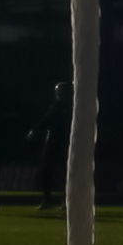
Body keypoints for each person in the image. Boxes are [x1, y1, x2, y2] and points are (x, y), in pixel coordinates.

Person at [28, 82, 70, 211]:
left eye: (60, 91)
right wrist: (35, 129)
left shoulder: (69, 106)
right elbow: (48, 119)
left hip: (64, 141)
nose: (58, 94)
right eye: (57, 91)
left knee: (66, 172)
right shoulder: (56, 105)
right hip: (53, 141)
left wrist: (35, 130)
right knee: (47, 170)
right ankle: (48, 200)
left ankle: (65, 201)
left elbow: (49, 120)